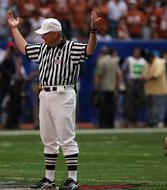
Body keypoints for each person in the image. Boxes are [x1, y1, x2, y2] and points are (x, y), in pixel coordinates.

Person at [7, 9, 100, 189]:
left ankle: (72, 178)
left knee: (66, 138)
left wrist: (93, 31)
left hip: (63, 93)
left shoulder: (71, 48)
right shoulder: (43, 49)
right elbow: (24, 48)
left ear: (56, 34)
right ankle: (49, 178)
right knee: (48, 139)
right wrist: (14, 29)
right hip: (45, 93)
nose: (42, 37)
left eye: (45, 34)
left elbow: (89, 50)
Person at [94, 47, 121, 128]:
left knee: (103, 108)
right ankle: (110, 124)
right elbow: (118, 75)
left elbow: (98, 75)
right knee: (111, 107)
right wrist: (117, 86)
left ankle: (103, 124)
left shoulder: (101, 61)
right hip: (112, 88)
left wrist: (96, 88)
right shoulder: (113, 61)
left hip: (103, 88)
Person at [142, 51, 167, 128]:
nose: (148, 62)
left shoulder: (160, 62)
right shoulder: (147, 63)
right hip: (149, 90)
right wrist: (144, 77)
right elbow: (144, 74)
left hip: (160, 90)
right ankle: (152, 122)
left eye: (148, 60)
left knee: (159, 107)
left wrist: (147, 78)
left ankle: (160, 122)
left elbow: (156, 75)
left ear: (152, 58)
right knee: (151, 107)